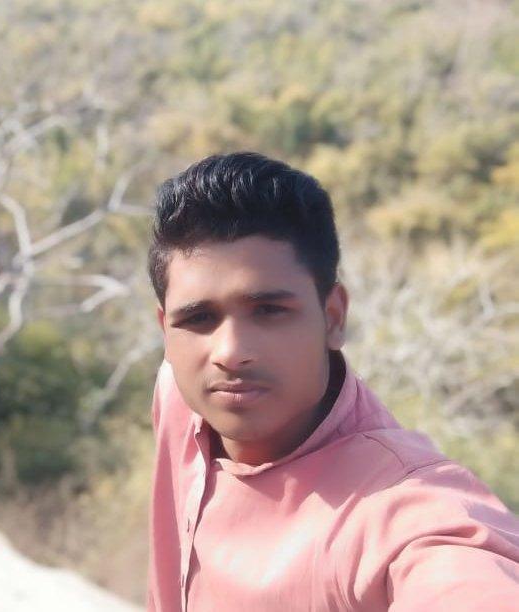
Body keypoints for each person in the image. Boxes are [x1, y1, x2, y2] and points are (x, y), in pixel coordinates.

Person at [145, 152, 519, 611]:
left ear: (334, 317)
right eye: (199, 318)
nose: (229, 352)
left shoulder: (401, 512)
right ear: (166, 332)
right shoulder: (182, 398)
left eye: (269, 311)